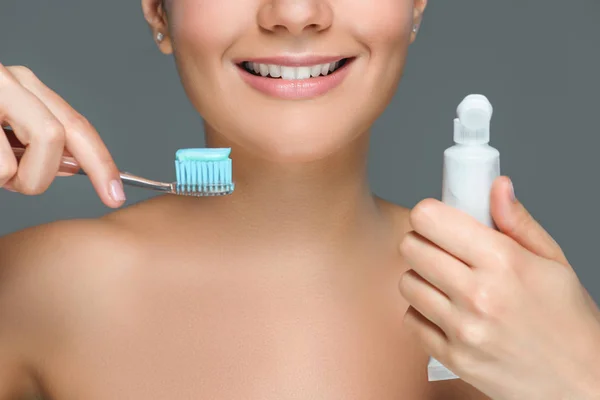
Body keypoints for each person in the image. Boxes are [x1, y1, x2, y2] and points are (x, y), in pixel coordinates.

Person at [1, 0, 599, 399]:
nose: (295, 13)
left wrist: (580, 372)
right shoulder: (34, 290)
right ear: (159, 7)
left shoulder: (518, 316)